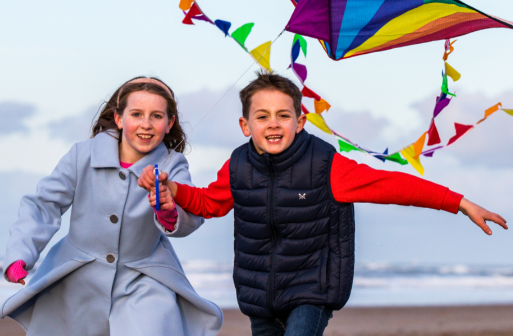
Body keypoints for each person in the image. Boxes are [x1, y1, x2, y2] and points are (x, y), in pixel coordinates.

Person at [138, 72, 508, 336]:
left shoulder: (325, 165)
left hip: (312, 290)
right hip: (259, 295)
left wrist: (458, 202)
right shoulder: (238, 165)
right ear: (244, 125)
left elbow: (392, 185)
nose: (273, 124)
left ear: (300, 121)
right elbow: (209, 203)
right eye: (262, 116)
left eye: (283, 115)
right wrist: (175, 190)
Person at [0, 76, 223, 336]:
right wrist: (20, 253)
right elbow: (44, 204)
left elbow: (191, 213)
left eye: (157, 116)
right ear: (119, 118)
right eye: (136, 114)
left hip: (144, 277)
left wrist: (169, 212)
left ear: (169, 122)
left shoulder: (173, 164)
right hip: (76, 275)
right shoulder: (82, 154)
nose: (146, 125)